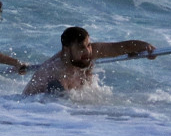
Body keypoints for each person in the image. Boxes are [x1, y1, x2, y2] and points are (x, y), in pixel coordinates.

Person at [22, 26, 154, 95]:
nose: (87, 51)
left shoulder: (88, 53)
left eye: (88, 45)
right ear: (66, 50)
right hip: (33, 109)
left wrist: (144, 46)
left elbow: (119, 47)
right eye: (81, 48)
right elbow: (59, 109)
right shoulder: (56, 72)